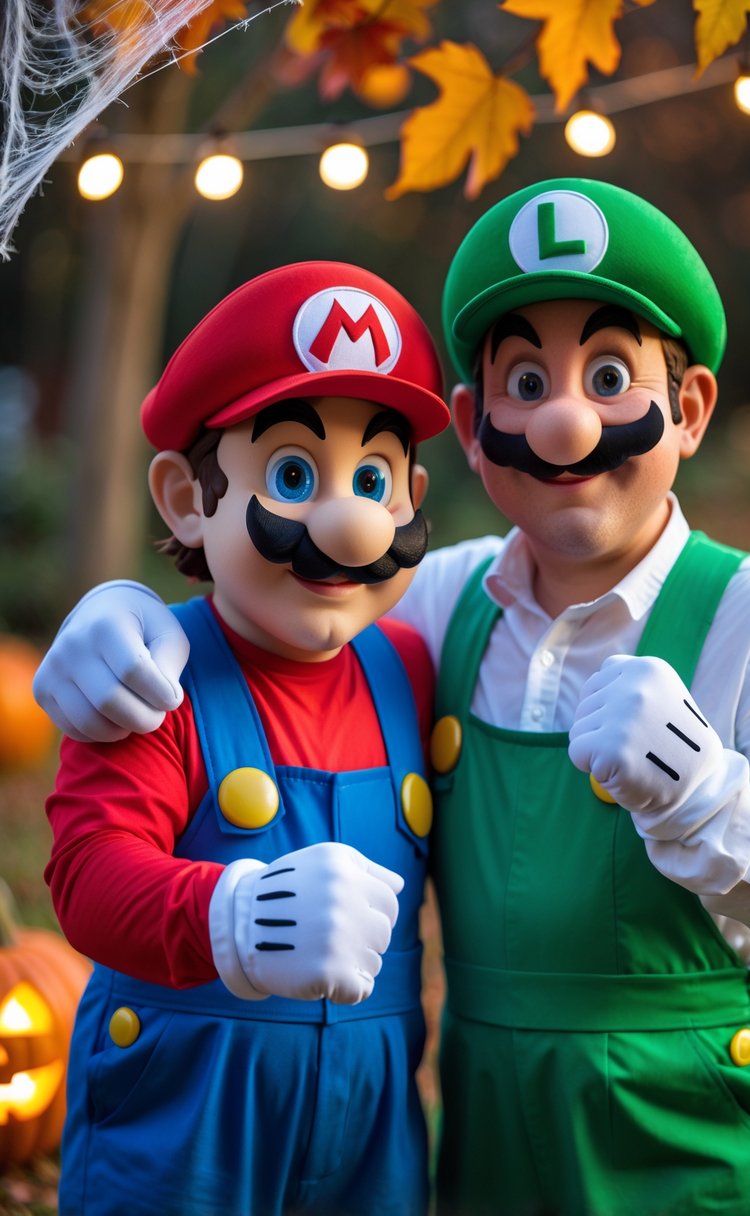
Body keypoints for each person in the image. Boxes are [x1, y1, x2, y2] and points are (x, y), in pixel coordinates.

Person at [35, 180, 750, 1215]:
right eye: (526, 381)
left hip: (680, 1128)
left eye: (605, 375)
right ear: (467, 424)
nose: (562, 424)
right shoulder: (437, 607)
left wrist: (703, 797)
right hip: (458, 1130)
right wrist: (120, 607)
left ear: (686, 409)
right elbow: (267, 627)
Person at [40, 259, 450, 1216]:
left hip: (372, 1117)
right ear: (187, 498)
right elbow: (87, 876)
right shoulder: (152, 676)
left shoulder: (413, 665)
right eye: (296, 475)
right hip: (187, 1121)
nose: (349, 527)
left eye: (376, 478)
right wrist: (234, 916)